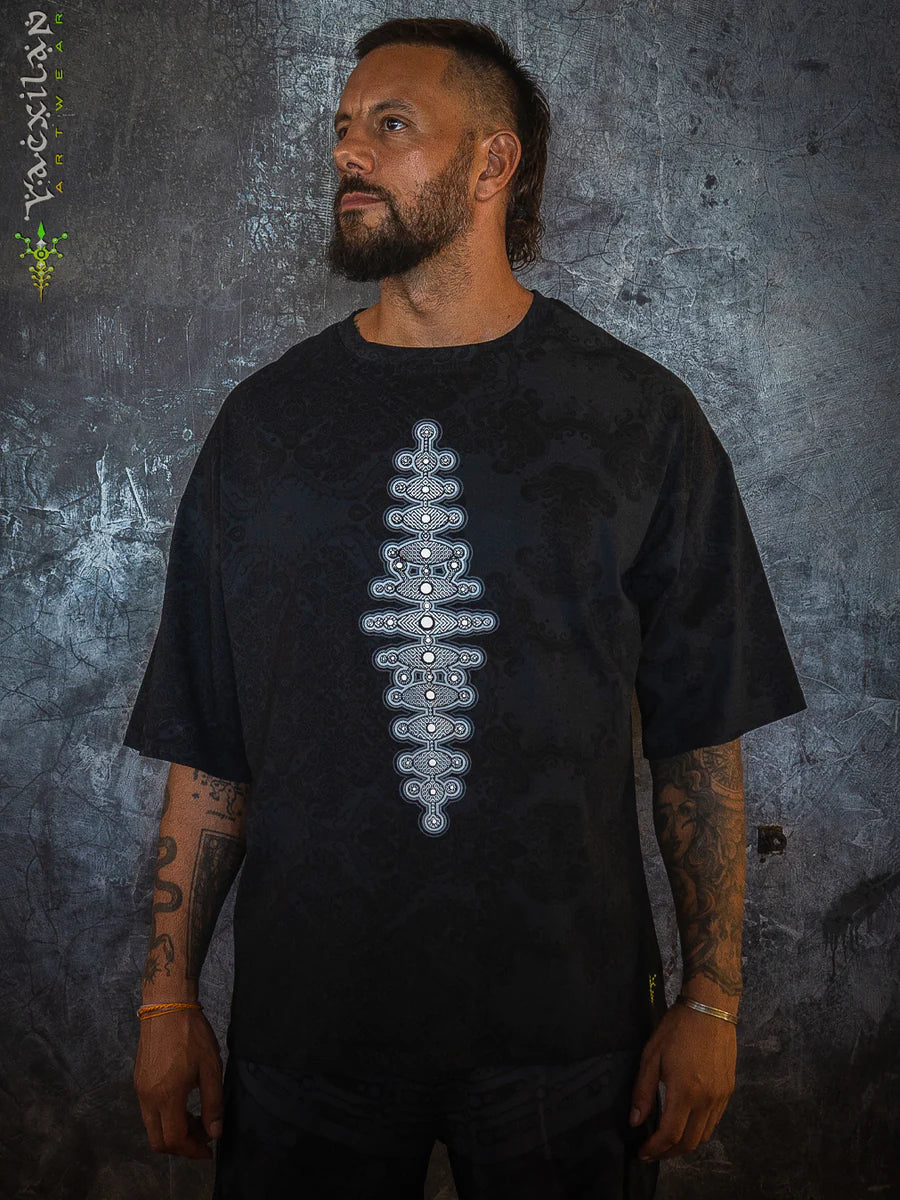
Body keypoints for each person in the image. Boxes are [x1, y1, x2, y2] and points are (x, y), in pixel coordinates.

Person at [124, 17, 807, 1200]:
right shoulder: (266, 428)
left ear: (494, 162)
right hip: (309, 1031)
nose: (348, 153)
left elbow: (700, 740)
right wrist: (166, 995)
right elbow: (211, 744)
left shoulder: (635, 418)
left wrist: (711, 999)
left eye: (391, 125)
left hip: (569, 1038)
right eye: (344, 127)